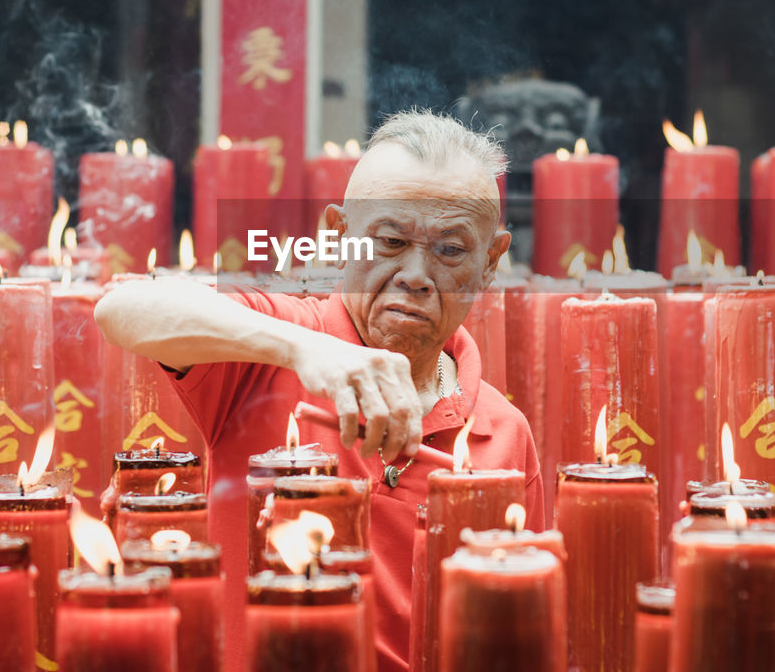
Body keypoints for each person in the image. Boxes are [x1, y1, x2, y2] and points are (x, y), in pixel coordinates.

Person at [94, 110, 542, 672]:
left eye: (451, 250)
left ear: (490, 263)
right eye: (390, 240)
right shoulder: (268, 351)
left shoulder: (503, 433)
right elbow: (123, 310)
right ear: (338, 237)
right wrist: (307, 350)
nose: (416, 273)